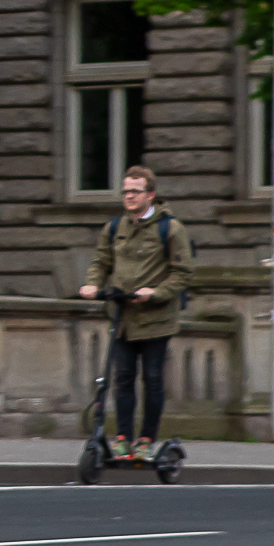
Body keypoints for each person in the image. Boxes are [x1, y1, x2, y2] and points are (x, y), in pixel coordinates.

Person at [79, 166, 196, 460]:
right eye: (126, 191)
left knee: (153, 378)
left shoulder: (170, 228)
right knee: (122, 378)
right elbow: (101, 261)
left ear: (151, 195)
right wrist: (92, 283)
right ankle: (122, 438)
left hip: (156, 318)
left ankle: (146, 440)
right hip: (123, 317)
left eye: (135, 191)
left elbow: (182, 273)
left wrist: (156, 293)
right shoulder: (115, 227)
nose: (129, 196)